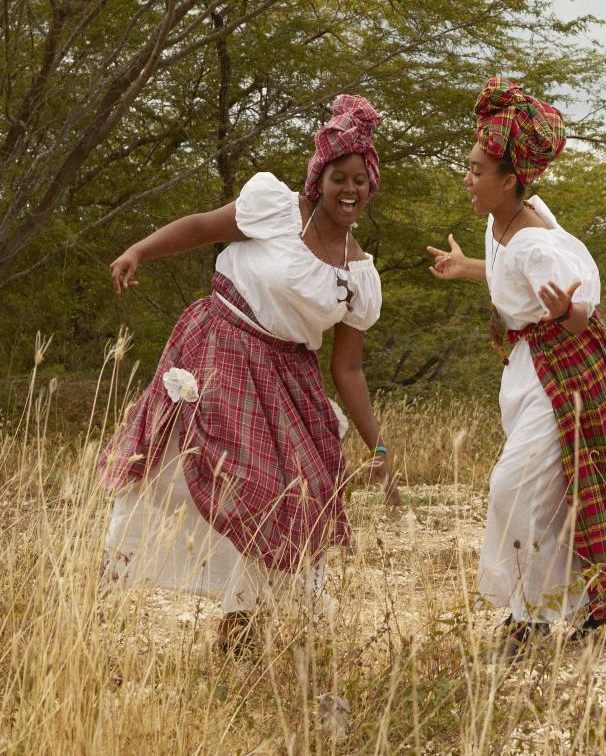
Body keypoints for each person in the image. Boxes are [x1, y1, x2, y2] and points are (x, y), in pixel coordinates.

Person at [98, 94, 400, 649]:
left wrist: (377, 447)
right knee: (208, 475)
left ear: (371, 186)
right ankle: (128, 577)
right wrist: (139, 251)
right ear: (318, 180)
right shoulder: (275, 210)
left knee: (285, 497)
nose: (350, 190)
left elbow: (349, 368)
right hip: (221, 348)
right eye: (339, 178)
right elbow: (199, 228)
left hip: (289, 379)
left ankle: (243, 628)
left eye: (360, 180)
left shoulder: (360, 275)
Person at [427, 78, 606, 653]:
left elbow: (578, 315)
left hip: (563, 368)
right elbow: (506, 275)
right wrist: (467, 265)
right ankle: (563, 610)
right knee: (544, 493)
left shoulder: (536, 243)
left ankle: (535, 614)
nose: (468, 179)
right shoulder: (503, 222)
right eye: (468, 167)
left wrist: (567, 309)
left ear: (511, 180)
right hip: (528, 366)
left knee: (515, 487)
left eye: (477, 171)